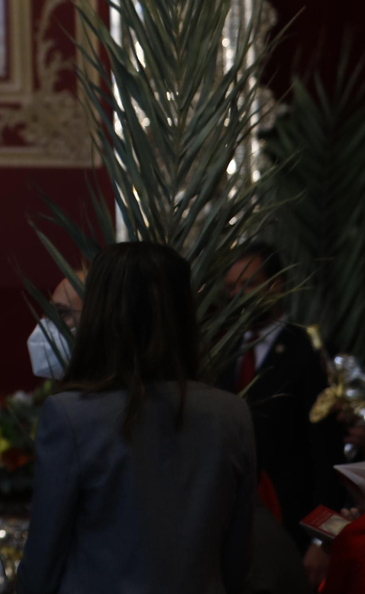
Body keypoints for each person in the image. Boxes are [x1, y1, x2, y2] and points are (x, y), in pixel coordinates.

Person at [17, 243, 256, 594]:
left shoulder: (71, 415)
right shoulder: (232, 414)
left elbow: (44, 555)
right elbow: (237, 557)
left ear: (100, 313)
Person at [219, 244, 345, 582]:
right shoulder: (220, 351)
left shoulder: (310, 352)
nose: (236, 295)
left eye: (247, 284)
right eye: (230, 287)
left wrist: (324, 539)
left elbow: (331, 454)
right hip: (231, 534)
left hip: (294, 535)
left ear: (277, 284)